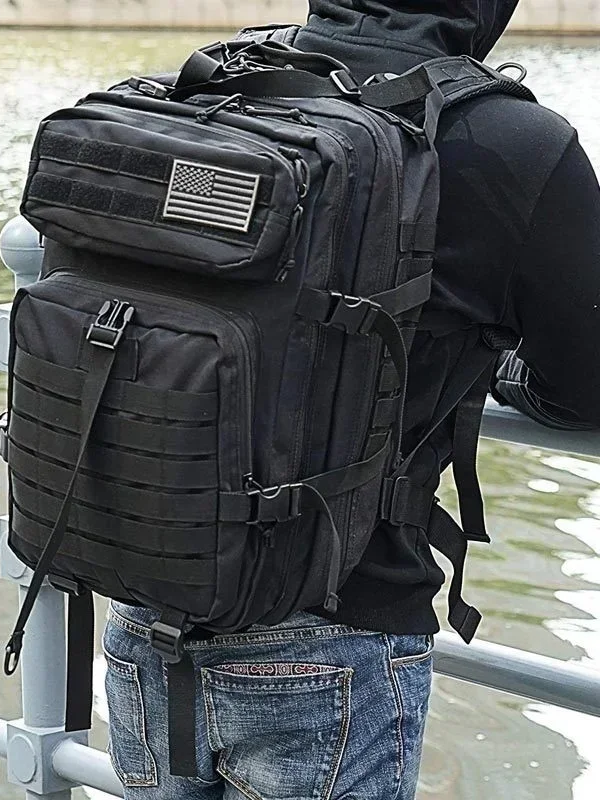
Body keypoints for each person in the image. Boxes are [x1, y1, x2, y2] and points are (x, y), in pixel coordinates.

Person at [102, 2, 600, 797]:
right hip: (336, 633)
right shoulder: (517, 142)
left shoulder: (219, 84)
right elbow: (588, 384)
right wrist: (498, 370)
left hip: (149, 606)